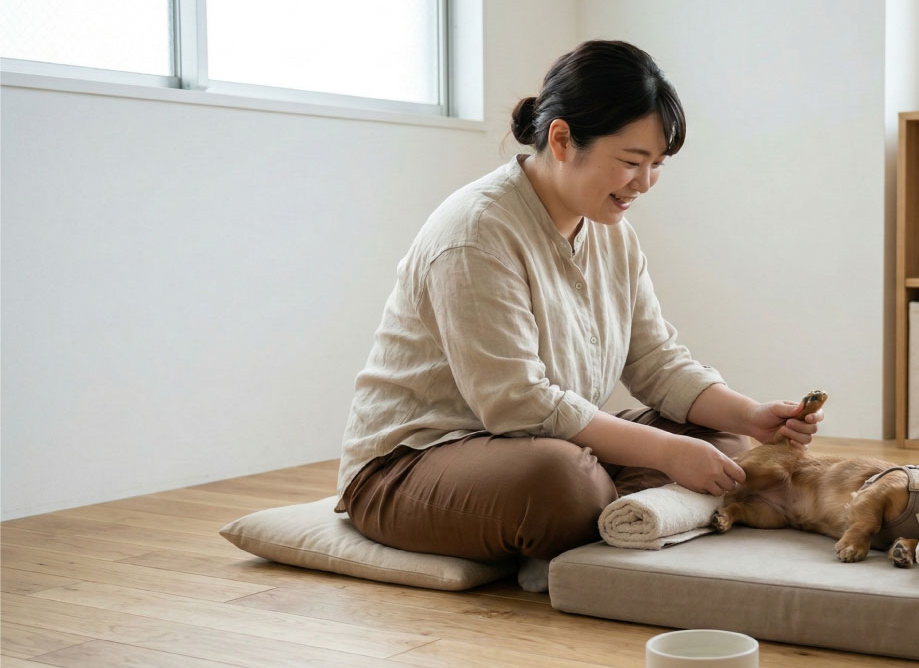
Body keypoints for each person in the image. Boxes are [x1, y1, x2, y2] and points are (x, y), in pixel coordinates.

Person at [334, 40, 824, 576]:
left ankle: (590, 519)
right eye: (631, 162)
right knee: (563, 481)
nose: (644, 183)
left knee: (724, 442)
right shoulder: (476, 233)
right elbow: (518, 404)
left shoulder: (613, 232)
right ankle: (597, 513)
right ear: (562, 139)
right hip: (411, 465)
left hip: (539, 445)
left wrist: (750, 415)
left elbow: (657, 362)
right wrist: (663, 454)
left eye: (657, 165)